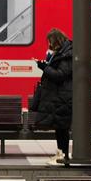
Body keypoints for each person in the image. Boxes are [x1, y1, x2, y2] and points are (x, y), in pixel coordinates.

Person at [33, 28, 73, 165]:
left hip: (63, 97)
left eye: (50, 42)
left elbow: (60, 75)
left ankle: (64, 156)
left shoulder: (67, 55)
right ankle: (61, 154)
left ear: (56, 41)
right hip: (59, 97)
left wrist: (43, 67)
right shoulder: (63, 53)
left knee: (62, 129)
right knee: (59, 128)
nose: (49, 45)